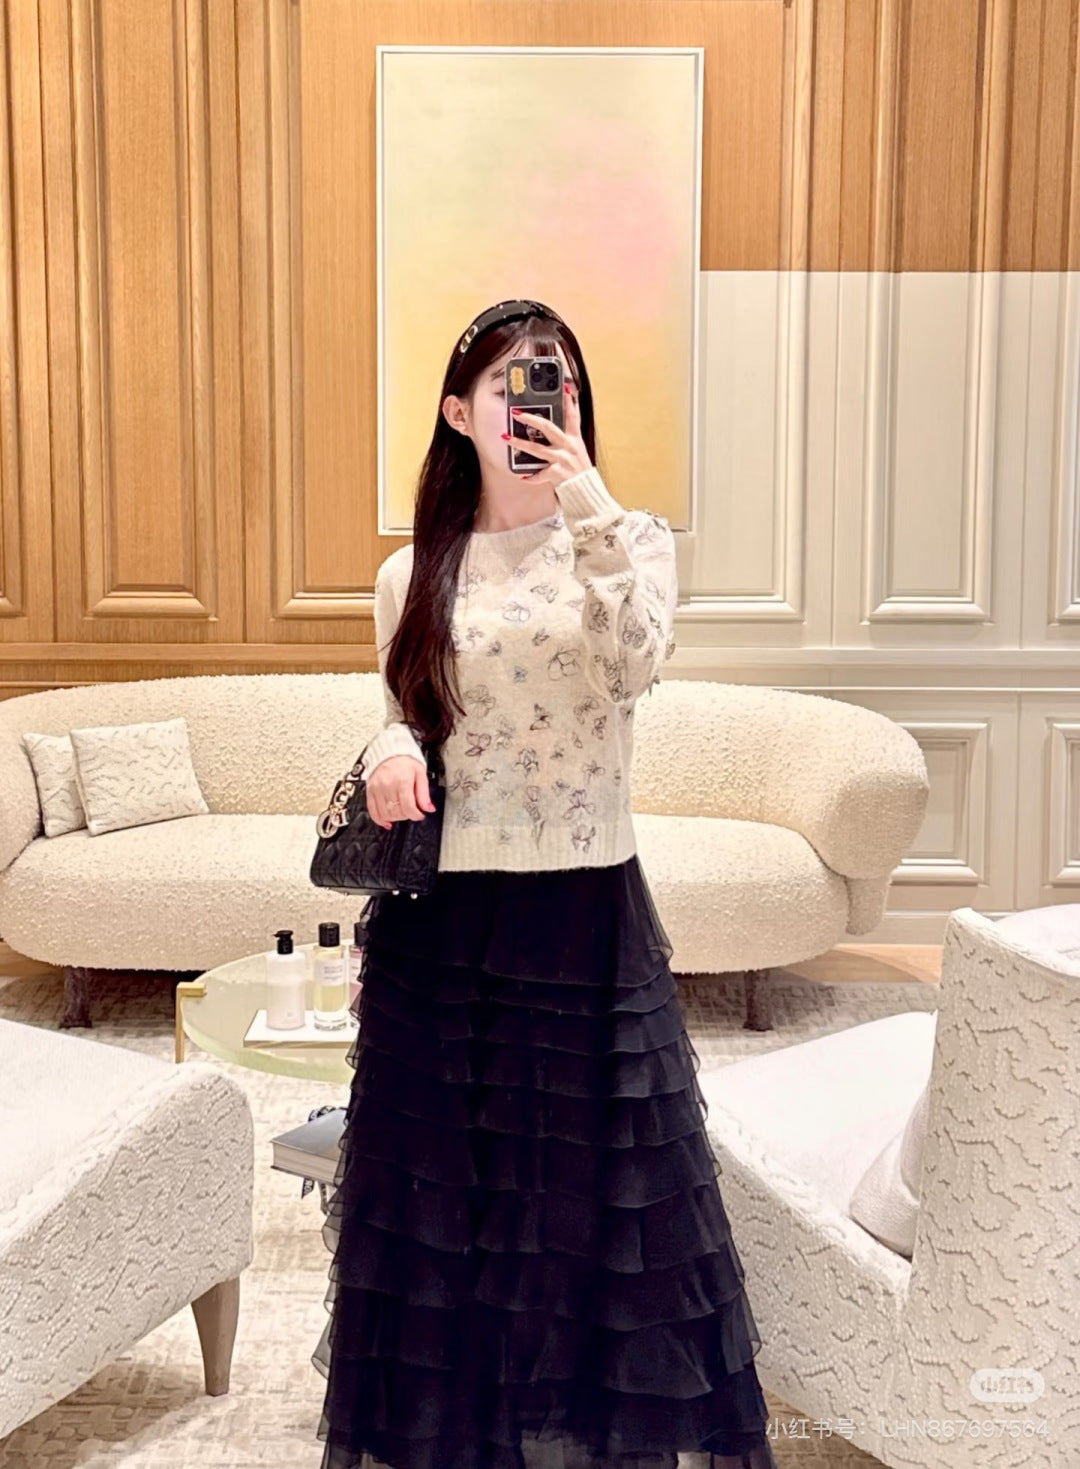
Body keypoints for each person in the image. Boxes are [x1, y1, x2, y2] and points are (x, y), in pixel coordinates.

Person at [312, 299, 778, 1469]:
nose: (536, 403)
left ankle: (579, 1420)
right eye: (511, 384)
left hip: (583, 905)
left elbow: (634, 667)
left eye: (555, 382)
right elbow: (401, 707)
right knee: (447, 1181)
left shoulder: (628, 540)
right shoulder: (413, 570)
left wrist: (589, 505)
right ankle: (471, 1425)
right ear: (458, 412)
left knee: (598, 1178)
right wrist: (390, 749)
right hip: (444, 914)